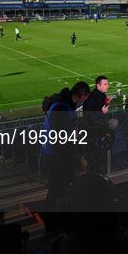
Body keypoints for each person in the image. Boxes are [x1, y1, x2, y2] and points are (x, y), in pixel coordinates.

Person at [42, 82, 91, 210]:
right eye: (85, 98)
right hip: (56, 156)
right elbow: (59, 139)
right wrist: (76, 157)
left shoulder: (66, 105)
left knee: (63, 187)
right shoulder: (61, 108)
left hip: (57, 154)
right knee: (57, 189)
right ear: (81, 96)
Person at [82, 76, 117, 173]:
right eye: (105, 84)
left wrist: (106, 105)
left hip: (98, 131)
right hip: (93, 134)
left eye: (107, 84)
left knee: (98, 158)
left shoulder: (100, 95)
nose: (108, 86)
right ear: (98, 85)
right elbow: (88, 117)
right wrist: (102, 111)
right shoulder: (92, 98)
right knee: (94, 159)